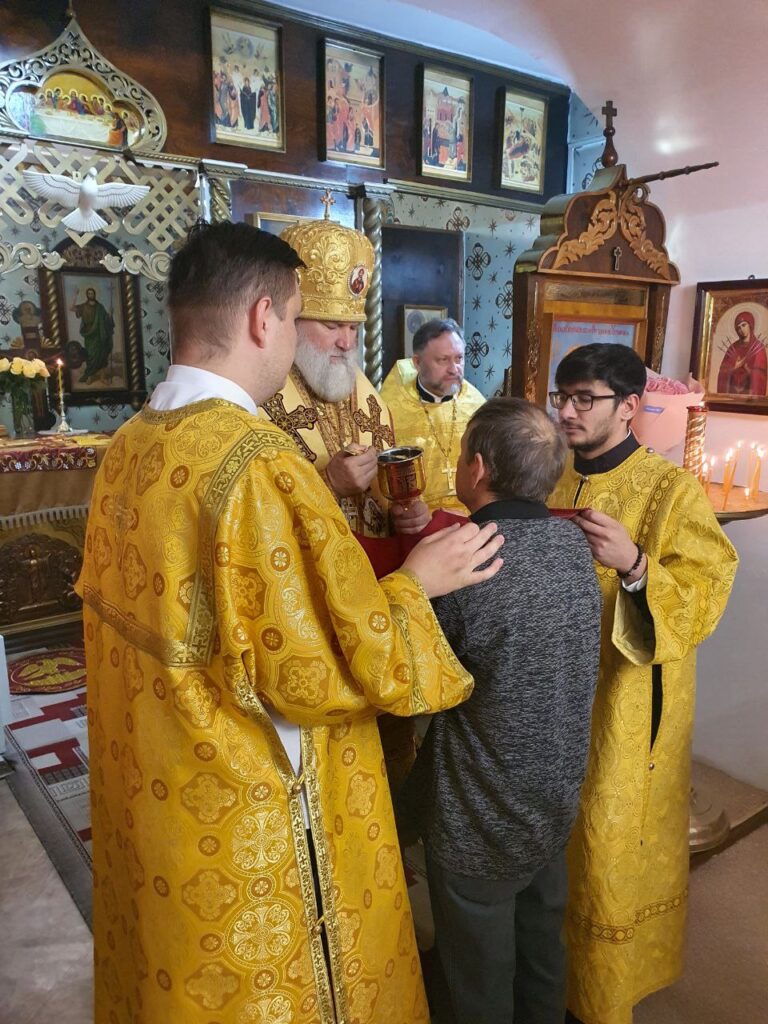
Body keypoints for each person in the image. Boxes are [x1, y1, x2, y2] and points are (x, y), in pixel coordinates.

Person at [75, 221, 504, 1024]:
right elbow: (318, 672)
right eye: (307, 314)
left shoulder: (128, 443)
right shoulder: (258, 462)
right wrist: (415, 586)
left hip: (164, 786)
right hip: (250, 796)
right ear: (263, 317)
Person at [547, 343, 738, 1024]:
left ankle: (596, 1000)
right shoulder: (551, 477)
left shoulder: (669, 490)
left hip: (624, 706)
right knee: (551, 849)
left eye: (584, 399)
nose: (567, 412)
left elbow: (705, 592)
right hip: (554, 697)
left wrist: (634, 564)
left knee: (605, 846)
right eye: (562, 397)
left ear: (629, 406)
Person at [401, 397, 602, 1024]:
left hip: (480, 814)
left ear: (478, 467)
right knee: (542, 948)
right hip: (554, 798)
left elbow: (410, 680)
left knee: (478, 975)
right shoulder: (573, 546)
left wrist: (410, 582)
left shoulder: (469, 559)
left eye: (463, 452)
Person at [263, 210, 431, 791]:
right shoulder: (261, 396)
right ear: (291, 320)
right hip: (304, 611)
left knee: (384, 752)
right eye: (331, 324)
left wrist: (407, 514)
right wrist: (328, 485)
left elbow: (387, 496)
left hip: (374, 603)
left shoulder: (366, 394)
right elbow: (251, 517)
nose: (345, 342)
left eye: (353, 327)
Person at [380, 318, 486, 514]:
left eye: (459, 358)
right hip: (416, 521)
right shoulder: (390, 408)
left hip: (475, 518)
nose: (454, 369)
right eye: (443, 360)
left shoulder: (478, 406)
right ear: (417, 363)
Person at [716, 309, 767, 396]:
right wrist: (735, 366)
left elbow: (761, 375)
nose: (741, 329)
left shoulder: (758, 348)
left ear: (750, 325)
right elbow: (723, 372)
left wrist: (748, 369)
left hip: (750, 395)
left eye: (744, 325)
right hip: (732, 393)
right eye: (738, 328)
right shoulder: (733, 348)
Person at [70, 286, 114, 383]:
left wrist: (110, 314)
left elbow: (106, 319)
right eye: (89, 293)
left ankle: (102, 377)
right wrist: (75, 295)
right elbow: (72, 308)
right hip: (89, 334)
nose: (91, 295)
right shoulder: (83, 306)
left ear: (95, 294)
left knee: (102, 355)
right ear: (87, 295)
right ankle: (90, 376)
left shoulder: (100, 307)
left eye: (92, 293)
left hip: (100, 334)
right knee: (90, 355)